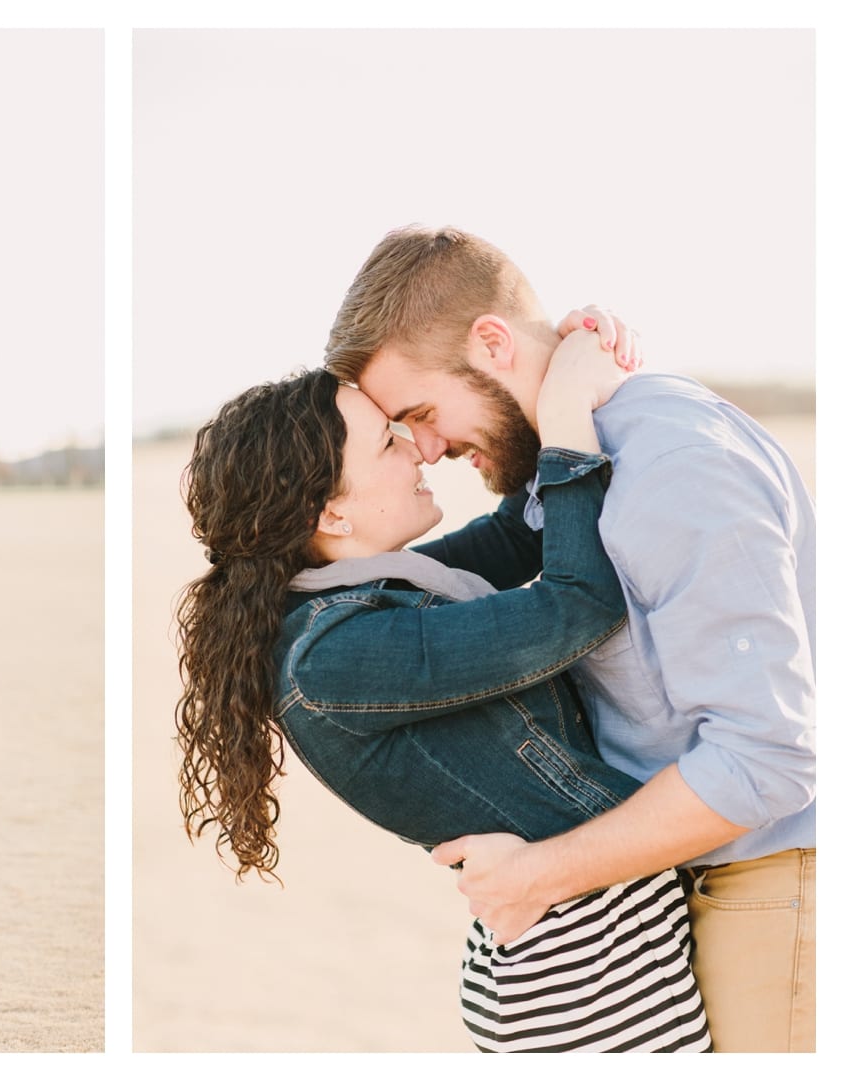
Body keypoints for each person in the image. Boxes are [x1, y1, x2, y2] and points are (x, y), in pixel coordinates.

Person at [323, 225, 815, 1053]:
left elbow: (769, 754)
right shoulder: (572, 462)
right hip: (700, 885)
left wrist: (539, 876)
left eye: (423, 414)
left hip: (772, 893)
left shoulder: (670, 465)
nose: (430, 450)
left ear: (491, 341)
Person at [177, 335, 712, 1052]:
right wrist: (561, 416)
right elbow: (579, 601)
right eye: (386, 443)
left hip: (588, 928)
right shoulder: (336, 656)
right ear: (332, 515)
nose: (418, 451)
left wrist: (551, 372)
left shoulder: (360, 597)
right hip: (585, 963)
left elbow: (511, 536)